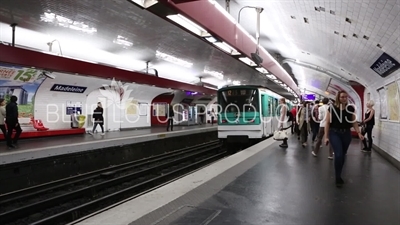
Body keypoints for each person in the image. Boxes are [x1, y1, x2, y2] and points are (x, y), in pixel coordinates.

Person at [324, 91, 364, 187]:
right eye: (342, 97)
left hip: (346, 133)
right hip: (334, 133)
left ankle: (339, 172)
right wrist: (326, 137)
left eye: (346, 97)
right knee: (338, 154)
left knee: (342, 155)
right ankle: (338, 177)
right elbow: (327, 122)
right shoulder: (332, 108)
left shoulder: (350, 108)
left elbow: (354, 122)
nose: (344, 99)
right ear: (338, 97)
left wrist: (359, 132)